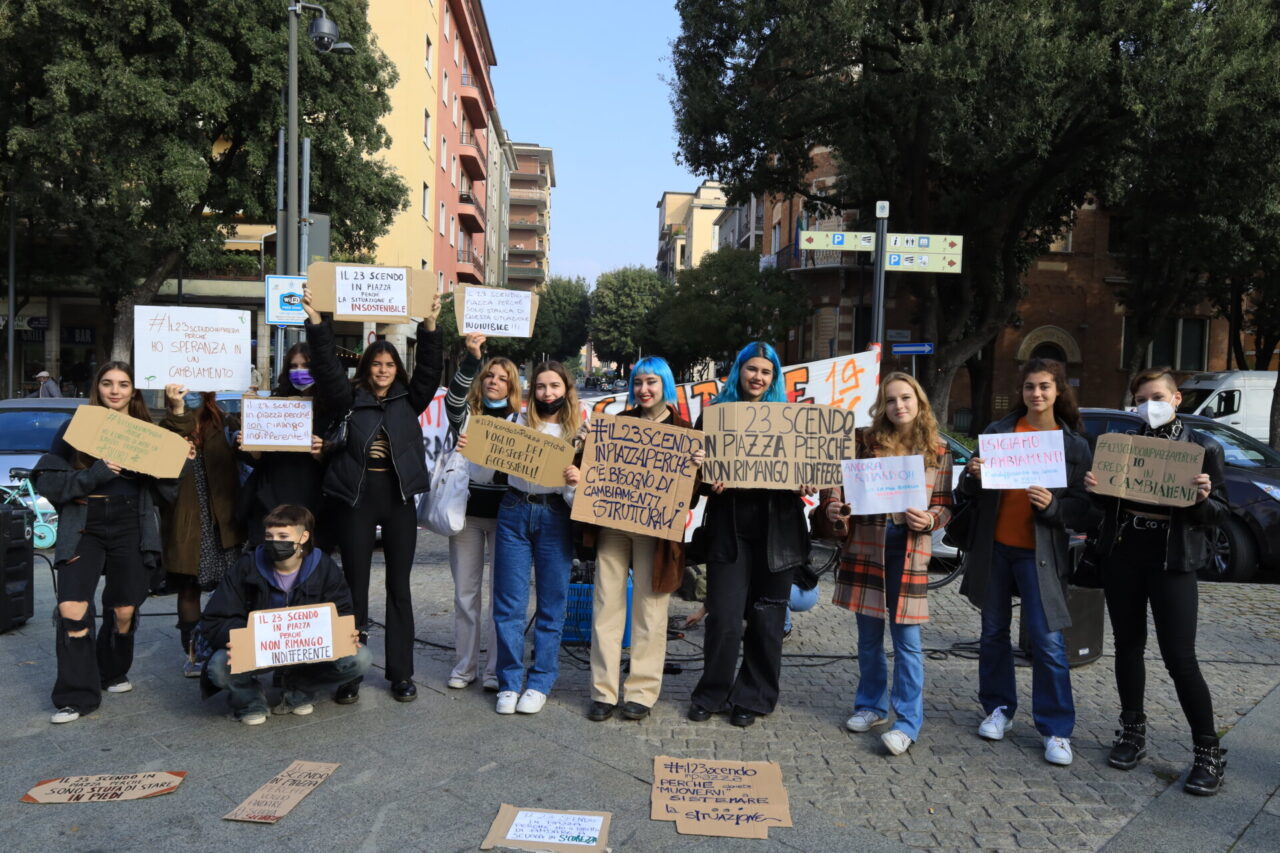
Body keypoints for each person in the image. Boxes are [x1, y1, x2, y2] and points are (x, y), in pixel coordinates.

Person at [1084, 367, 1229, 795]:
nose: (1152, 404)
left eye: (1159, 396)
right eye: (1143, 398)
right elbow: (1104, 505)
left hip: (1174, 561)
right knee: (1128, 647)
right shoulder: (1121, 447)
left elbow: (1219, 514)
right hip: (1124, 555)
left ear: (1177, 398)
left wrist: (1203, 499)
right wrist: (1095, 489)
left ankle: (1207, 752)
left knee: (1180, 657)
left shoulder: (1203, 447)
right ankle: (1132, 732)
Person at [302, 284, 443, 703]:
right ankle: (351, 672)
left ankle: (401, 674)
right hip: (355, 498)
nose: (382, 370)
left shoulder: (409, 398)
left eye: (389, 364)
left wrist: (431, 323)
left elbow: (431, 368)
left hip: (398, 497)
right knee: (355, 588)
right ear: (366, 367)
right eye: (376, 364)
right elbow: (327, 367)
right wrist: (315, 321)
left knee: (399, 587)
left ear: (397, 369)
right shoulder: (347, 397)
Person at [957, 358, 1094, 766]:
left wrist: (1054, 507)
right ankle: (998, 709)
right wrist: (972, 476)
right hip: (996, 548)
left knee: (1048, 641)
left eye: (1045, 387)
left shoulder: (1073, 445)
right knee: (993, 632)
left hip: (1042, 555)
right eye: (1030, 386)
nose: (1036, 394)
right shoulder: (998, 433)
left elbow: (1085, 509)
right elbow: (971, 494)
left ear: (1058, 392)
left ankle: (1056, 729)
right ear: (1022, 391)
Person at [32, 362, 184, 724]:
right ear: (96, 387)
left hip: (132, 523)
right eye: (107, 383)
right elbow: (50, 483)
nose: (115, 390)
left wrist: (169, 465)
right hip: (85, 524)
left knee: (124, 610)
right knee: (72, 606)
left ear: (134, 390)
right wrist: (93, 475)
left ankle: (111, 671)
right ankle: (75, 695)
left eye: (123, 384)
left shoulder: (148, 433)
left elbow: (170, 492)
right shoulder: (75, 428)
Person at [812, 372, 954, 756]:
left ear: (919, 402)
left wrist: (931, 520)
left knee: (907, 641)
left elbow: (944, 506)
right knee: (869, 637)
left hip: (909, 550)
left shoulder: (938, 451)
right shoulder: (864, 442)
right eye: (890, 400)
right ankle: (871, 706)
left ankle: (907, 722)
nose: (899, 406)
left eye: (906, 398)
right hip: (868, 547)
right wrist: (833, 507)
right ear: (882, 406)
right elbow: (833, 481)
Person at [687, 342, 812, 728]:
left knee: (767, 621)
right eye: (751, 369)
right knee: (723, 618)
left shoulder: (796, 421)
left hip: (779, 536)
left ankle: (754, 696)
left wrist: (805, 481)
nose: (757, 377)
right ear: (738, 371)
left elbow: (814, 475)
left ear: (774, 377)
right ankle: (713, 691)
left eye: (766, 371)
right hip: (730, 533)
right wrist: (706, 479)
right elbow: (694, 480)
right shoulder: (713, 418)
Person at [586, 356, 701, 722]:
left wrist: (697, 468)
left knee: (651, 611)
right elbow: (595, 475)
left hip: (657, 531)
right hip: (615, 526)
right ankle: (603, 691)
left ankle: (641, 692)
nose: (644, 390)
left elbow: (693, 496)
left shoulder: (684, 429)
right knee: (606, 605)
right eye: (638, 383)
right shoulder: (618, 425)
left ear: (665, 384)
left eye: (651, 382)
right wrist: (586, 447)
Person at [475, 360, 584, 715]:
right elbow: (485, 471)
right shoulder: (514, 423)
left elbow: (582, 497)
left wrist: (574, 483)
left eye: (554, 387)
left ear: (566, 391)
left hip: (556, 515)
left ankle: (540, 680)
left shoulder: (578, 434)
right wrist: (471, 447)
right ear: (531, 390)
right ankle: (509, 680)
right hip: (514, 511)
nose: (547, 393)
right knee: (508, 603)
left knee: (552, 604)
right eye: (540, 387)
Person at [199, 504, 370, 724]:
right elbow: (214, 619)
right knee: (218, 667)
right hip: (257, 648)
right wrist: (235, 638)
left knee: (360, 658)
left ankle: (299, 691)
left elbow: (343, 611)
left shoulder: (324, 567)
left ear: (303, 537)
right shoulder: (246, 567)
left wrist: (346, 634)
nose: (274, 542)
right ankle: (250, 700)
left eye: (282, 535)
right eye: (269, 536)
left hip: (307, 650)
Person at [442, 333, 521, 691]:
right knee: (465, 594)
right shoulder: (467, 417)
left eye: (503, 378)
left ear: (512, 385)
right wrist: (472, 357)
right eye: (490, 375)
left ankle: (494, 670)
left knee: (501, 597)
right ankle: (464, 667)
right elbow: (454, 398)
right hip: (468, 515)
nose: (494, 382)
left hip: (508, 516)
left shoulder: (523, 421)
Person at [160, 385, 245, 677]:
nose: (190, 391)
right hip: (187, 518)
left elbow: (250, 460)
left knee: (229, 589)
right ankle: (193, 653)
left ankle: (225, 646)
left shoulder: (226, 421)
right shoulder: (167, 424)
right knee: (189, 588)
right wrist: (178, 412)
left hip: (223, 519)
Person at [237, 342, 330, 547]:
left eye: (305, 366)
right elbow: (257, 459)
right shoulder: (275, 403)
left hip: (314, 499)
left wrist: (323, 452)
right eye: (293, 366)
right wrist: (252, 443)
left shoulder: (332, 408)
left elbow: (340, 458)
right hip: (272, 499)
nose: (299, 372)